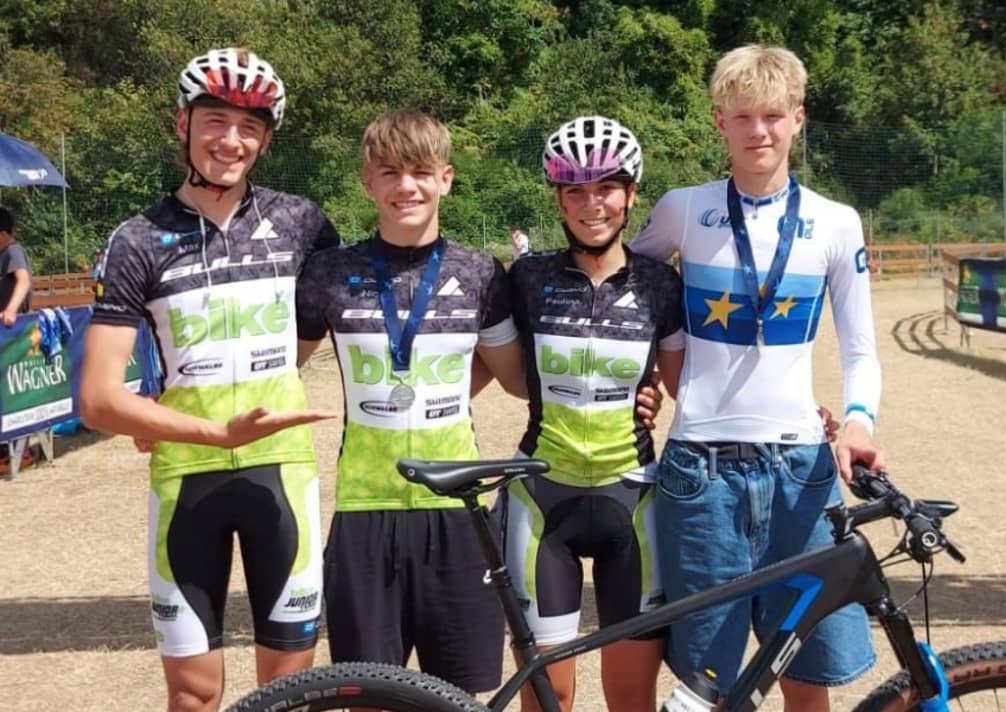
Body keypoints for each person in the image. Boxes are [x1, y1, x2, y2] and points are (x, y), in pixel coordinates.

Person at [80, 48, 338, 712]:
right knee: (194, 695)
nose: (231, 140)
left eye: (249, 126)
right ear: (182, 124)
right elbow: (98, 399)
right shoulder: (137, 239)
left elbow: (318, 322)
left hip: (281, 473)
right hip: (186, 480)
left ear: (266, 139)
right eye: (215, 120)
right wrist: (204, 429)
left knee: (290, 694)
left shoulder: (303, 224)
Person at [630, 44, 886, 712]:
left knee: (805, 677)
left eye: (773, 115)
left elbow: (861, 350)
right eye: (743, 116)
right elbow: (623, 295)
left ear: (798, 118)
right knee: (708, 685)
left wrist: (859, 421)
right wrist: (640, 378)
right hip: (700, 473)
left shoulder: (836, 222)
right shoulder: (684, 208)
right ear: (720, 121)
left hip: (802, 470)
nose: (759, 131)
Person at [295, 108, 527, 695]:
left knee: (460, 697)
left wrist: (642, 385)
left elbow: (519, 380)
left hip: (457, 510)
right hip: (363, 510)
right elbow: (277, 367)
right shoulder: (329, 272)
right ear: (367, 181)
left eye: (421, 172)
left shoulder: (480, 273)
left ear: (445, 178)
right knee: (368, 696)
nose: (407, 187)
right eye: (390, 172)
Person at [501, 116, 685, 712]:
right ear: (558, 199)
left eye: (606, 188)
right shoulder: (527, 277)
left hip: (631, 499)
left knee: (630, 696)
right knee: (547, 696)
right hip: (541, 498)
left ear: (631, 195)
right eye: (575, 190)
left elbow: (688, 380)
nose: (591, 204)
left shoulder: (661, 284)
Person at [0, 207, 32, 326]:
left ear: (3, 235)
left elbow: (24, 281)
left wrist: (11, 310)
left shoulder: (13, 251)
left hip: (12, 325)